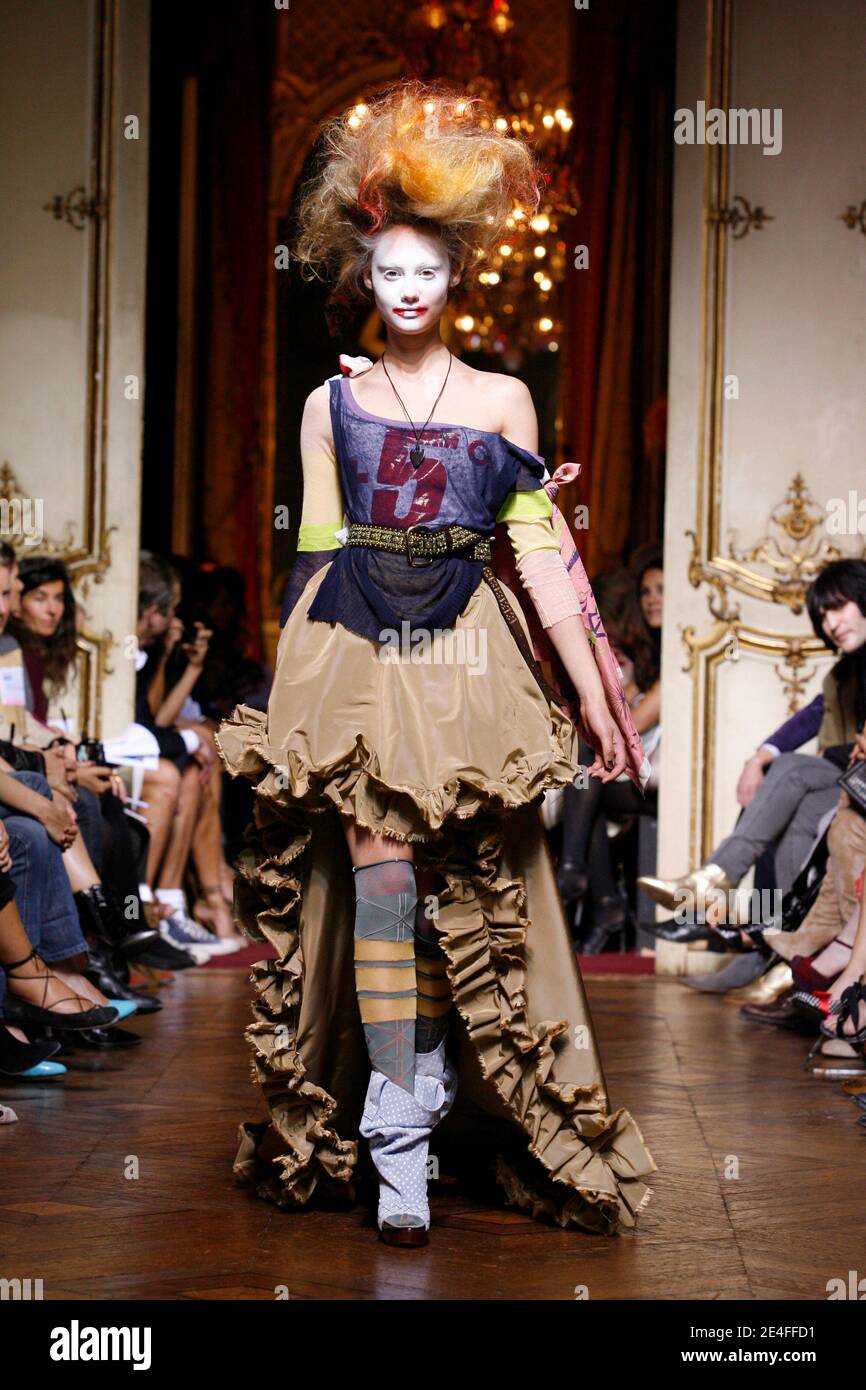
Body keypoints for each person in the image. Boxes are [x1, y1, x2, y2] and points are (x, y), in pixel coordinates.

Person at [216, 80, 655, 1246]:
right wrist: (290, 697)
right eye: (388, 274)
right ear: (366, 278)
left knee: (485, 894)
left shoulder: (505, 397)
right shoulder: (328, 407)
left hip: (471, 663)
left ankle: (455, 1104)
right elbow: (311, 557)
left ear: (454, 278)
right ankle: (398, 1136)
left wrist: (595, 696)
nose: (406, 291)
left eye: (427, 273)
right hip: (356, 651)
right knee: (379, 888)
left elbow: (545, 563)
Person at [640, 558, 866, 925]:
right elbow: (809, 717)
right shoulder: (846, 672)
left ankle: (716, 879)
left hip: (857, 783)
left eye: (839, 608)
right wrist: (758, 757)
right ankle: (780, 946)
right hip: (849, 785)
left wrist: (827, 756)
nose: (831, 624)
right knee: (792, 808)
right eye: (824, 616)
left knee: (791, 770)